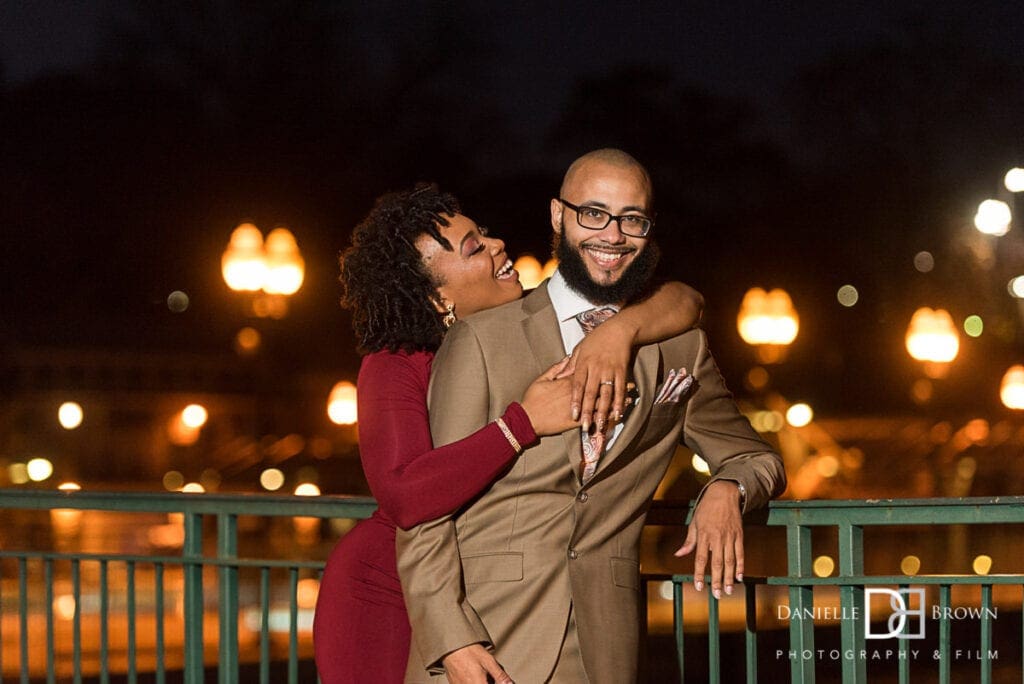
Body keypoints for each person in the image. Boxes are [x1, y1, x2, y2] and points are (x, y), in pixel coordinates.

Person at [397, 149, 787, 683]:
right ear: (559, 216)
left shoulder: (679, 350)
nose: (614, 234)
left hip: (604, 648)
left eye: (633, 218)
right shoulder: (482, 337)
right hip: (483, 642)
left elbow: (754, 456)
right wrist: (451, 640)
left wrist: (727, 490)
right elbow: (428, 507)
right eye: (594, 213)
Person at [312, 183, 705, 683]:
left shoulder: (526, 331)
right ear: (437, 296)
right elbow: (403, 493)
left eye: (487, 234)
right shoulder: (396, 364)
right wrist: (523, 424)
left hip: (482, 590)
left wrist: (619, 330)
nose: (499, 245)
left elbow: (684, 298)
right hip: (385, 588)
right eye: (475, 247)